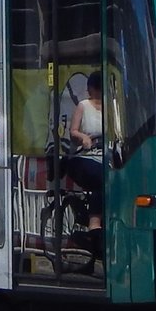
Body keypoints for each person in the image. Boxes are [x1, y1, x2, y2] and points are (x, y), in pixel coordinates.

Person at [64, 71, 104, 250]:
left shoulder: (111, 107)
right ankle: (94, 224)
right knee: (102, 178)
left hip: (106, 156)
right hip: (85, 157)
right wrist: (83, 137)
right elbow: (73, 131)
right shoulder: (83, 106)